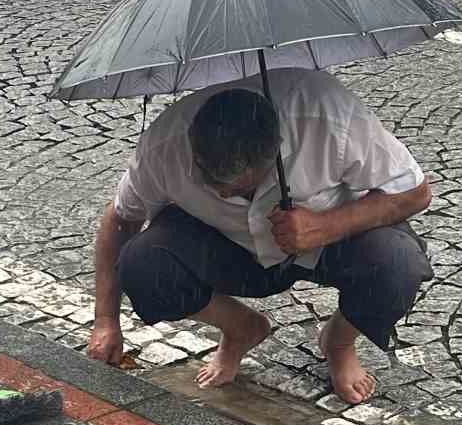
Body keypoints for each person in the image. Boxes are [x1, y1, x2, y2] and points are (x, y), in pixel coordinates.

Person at [86, 67, 433, 404]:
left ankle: (339, 342)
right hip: (229, 247)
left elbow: (415, 193)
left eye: (241, 188)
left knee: (399, 264)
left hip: (330, 243)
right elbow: (120, 221)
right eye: (211, 183)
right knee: (142, 264)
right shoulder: (164, 146)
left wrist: (327, 226)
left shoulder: (329, 117)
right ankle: (240, 328)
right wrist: (106, 320)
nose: (224, 196)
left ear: (275, 150)